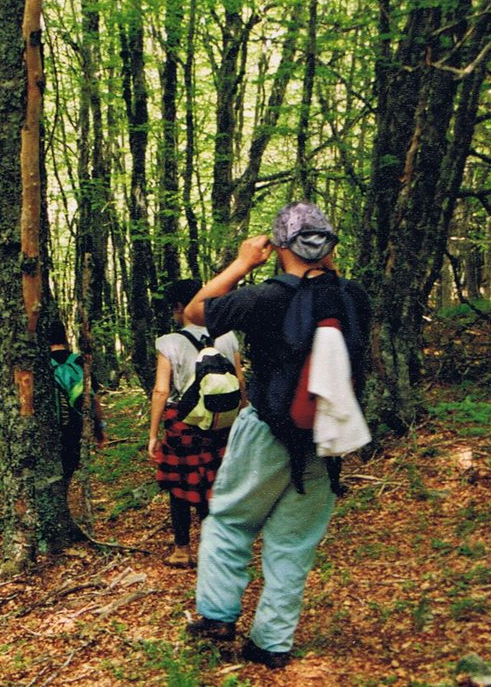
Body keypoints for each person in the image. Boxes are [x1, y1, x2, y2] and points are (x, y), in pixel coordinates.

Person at [183, 202, 371, 668]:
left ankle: (217, 616)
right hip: (327, 436)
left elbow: (194, 311)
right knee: (293, 544)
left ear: (281, 245)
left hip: (266, 428)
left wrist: (244, 262)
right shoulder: (355, 297)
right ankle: (271, 644)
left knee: (229, 521)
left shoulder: (264, 297)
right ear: (328, 245)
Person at [148, 279, 245, 568]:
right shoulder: (227, 336)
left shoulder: (170, 342)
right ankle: (214, 545)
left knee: (180, 486)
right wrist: (243, 414)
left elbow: (162, 391)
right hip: (222, 420)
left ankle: (182, 549)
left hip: (184, 421)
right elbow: (239, 381)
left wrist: (153, 434)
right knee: (216, 482)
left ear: (179, 307)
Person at [48, 320, 105, 481]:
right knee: (67, 473)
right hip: (76, 431)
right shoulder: (79, 362)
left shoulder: (42, 366)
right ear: (65, 337)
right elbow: (92, 398)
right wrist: (99, 429)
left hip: (49, 433)